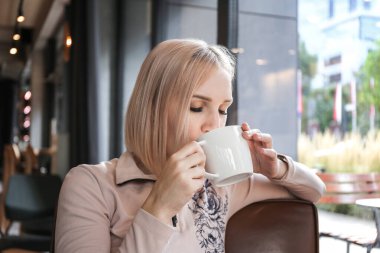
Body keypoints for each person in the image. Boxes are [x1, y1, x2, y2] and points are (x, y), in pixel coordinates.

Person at [55, 39, 325, 253]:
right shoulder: (92, 185)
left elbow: (314, 191)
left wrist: (276, 167)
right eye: (197, 107)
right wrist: (159, 207)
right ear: (152, 109)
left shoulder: (221, 187)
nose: (214, 124)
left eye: (222, 109)